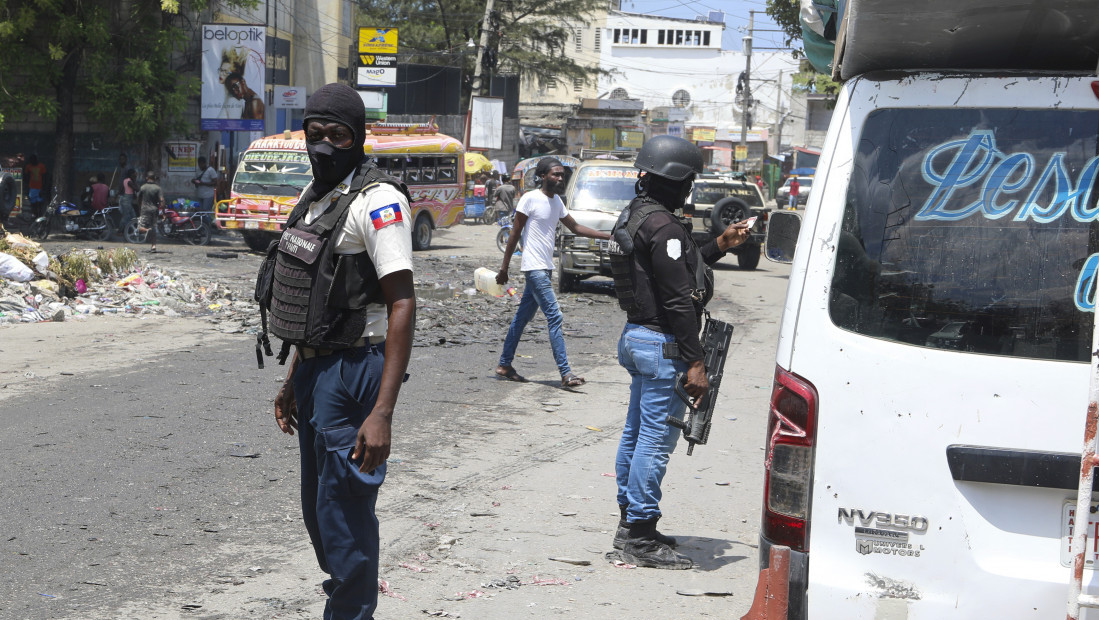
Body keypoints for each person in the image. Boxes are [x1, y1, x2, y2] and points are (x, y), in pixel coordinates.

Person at [269, 83, 416, 620]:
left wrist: (382, 412)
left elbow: (402, 303)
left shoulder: (379, 202)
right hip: (315, 371)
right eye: (315, 134)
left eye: (338, 134)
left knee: (345, 515)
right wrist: (292, 380)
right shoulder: (315, 197)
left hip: (355, 372)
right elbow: (315, 304)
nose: (325, 145)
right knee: (319, 514)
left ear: (358, 137)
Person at [608, 135, 750, 569]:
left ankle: (633, 522)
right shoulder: (666, 226)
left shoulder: (638, 215)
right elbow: (677, 298)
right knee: (654, 442)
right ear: (680, 180)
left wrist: (719, 245)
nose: (690, 188)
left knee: (635, 434)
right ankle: (638, 537)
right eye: (689, 180)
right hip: (661, 344)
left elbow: (671, 267)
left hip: (637, 337)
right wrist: (694, 361)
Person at [494, 158, 610, 387]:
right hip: (534, 268)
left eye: (561, 175)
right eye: (555, 174)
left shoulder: (557, 202)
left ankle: (504, 365)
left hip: (545, 269)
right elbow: (514, 235)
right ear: (542, 176)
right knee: (555, 316)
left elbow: (576, 228)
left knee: (521, 319)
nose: (559, 178)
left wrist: (609, 236)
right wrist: (504, 268)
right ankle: (566, 374)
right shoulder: (529, 199)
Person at [136, 171, 165, 253]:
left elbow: (138, 198)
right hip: (154, 210)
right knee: (153, 228)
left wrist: (139, 207)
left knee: (140, 228)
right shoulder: (158, 188)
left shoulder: (143, 187)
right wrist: (163, 213)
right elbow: (162, 200)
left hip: (145, 209)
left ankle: (147, 231)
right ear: (154, 178)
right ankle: (153, 246)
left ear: (147, 178)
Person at [23, 154, 46, 218]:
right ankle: (35, 215)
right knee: (33, 203)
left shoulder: (41, 166)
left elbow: (44, 177)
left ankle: (40, 215)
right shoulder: (28, 166)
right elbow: (26, 177)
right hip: (32, 187)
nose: (32, 162)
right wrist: (27, 187)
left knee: (40, 202)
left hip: (39, 187)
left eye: (33, 160)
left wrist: (43, 188)